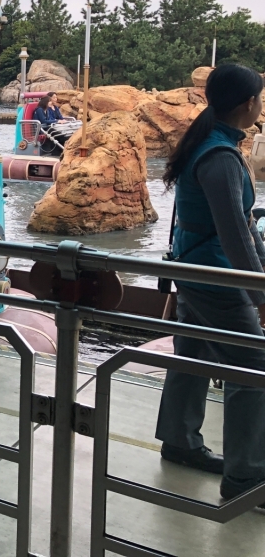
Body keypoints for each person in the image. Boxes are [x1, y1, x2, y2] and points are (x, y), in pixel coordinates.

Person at [154, 63, 265, 507]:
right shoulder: (220, 158)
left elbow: (242, 230)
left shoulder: (212, 144)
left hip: (193, 271)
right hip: (214, 279)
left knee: (193, 354)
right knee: (254, 369)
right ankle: (247, 478)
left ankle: (179, 441)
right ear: (247, 104)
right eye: (260, 96)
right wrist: (260, 296)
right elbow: (236, 239)